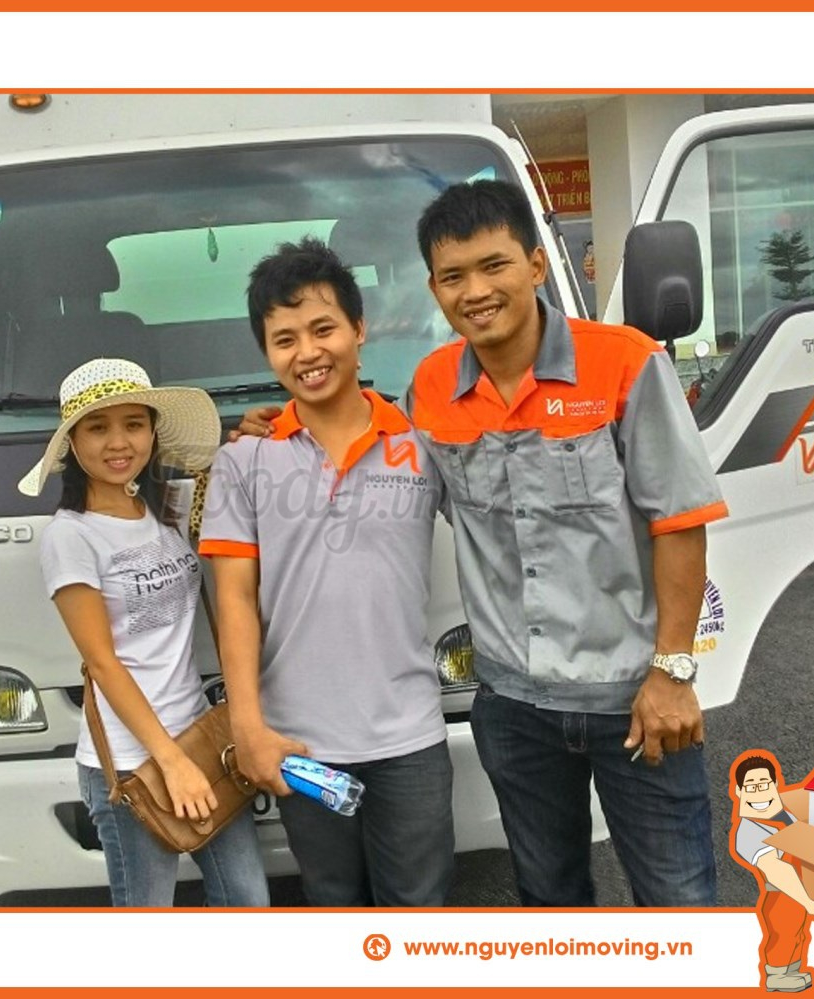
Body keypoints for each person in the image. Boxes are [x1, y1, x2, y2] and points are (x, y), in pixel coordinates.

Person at [234, 181, 727, 906]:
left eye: (494, 265)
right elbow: (369, 449)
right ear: (434, 289)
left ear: (535, 264)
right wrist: (279, 428)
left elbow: (680, 520)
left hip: (633, 698)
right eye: (453, 276)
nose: (476, 291)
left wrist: (673, 673)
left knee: (678, 899)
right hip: (513, 707)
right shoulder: (431, 390)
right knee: (549, 899)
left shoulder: (624, 363)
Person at [198, 237, 455, 907]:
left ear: (358, 329)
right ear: (266, 352)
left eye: (323, 329)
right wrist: (248, 728)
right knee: (333, 901)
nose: (307, 352)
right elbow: (234, 600)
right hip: (299, 741)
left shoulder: (422, 443)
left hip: (409, 735)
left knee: (419, 910)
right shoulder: (245, 459)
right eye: (284, 339)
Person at [18, 357, 269, 908]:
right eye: (98, 428)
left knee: (247, 901)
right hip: (135, 763)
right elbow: (102, 663)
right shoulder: (70, 537)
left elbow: (227, 481)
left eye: (134, 424)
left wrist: (248, 437)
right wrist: (170, 763)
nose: (119, 442)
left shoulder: (163, 509)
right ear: (72, 443)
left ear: (153, 432)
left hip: (201, 738)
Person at [729, 753, 814, 992]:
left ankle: (792, 971)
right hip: (782, 894)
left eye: (764, 784)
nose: (759, 793)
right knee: (783, 934)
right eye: (751, 787)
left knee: (797, 934)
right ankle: (777, 975)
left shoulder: (785, 815)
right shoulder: (750, 831)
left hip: (799, 890)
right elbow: (774, 869)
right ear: (740, 791)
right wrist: (808, 901)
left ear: (774, 784)